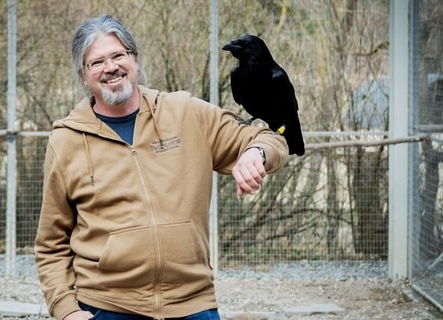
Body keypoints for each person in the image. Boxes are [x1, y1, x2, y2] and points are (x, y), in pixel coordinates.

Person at [35, 15, 289, 320]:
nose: (111, 67)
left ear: (135, 60)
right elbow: (51, 244)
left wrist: (255, 153)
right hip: (105, 306)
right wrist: (66, 311)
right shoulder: (66, 140)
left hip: (192, 303)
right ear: (83, 75)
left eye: (118, 55)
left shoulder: (185, 112)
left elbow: (269, 139)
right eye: (97, 62)